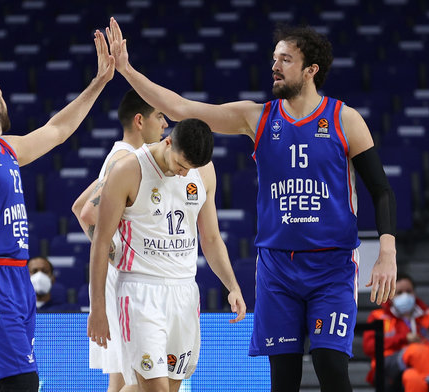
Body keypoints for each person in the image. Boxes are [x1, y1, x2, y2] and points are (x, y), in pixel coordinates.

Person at [104, 18, 398, 392]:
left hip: (332, 266)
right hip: (277, 269)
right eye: (274, 58)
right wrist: (127, 69)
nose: (274, 66)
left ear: (311, 70)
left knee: (330, 365)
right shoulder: (257, 117)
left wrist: (386, 250)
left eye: (285, 60)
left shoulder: (345, 120)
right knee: (283, 378)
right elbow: (179, 106)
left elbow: (382, 190)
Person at [0, 30, 114, 391]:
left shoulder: (6, 149)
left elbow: (57, 130)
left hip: (17, 278)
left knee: (7, 383)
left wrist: (99, 82)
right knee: (23, 384)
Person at [87, 118, 246, 392]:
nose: (185, 174)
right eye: (181, 166)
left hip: (184, 291)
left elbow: (210, 238)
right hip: (140, 291)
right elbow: (100, 241)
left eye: (191, 169)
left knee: (170, 389)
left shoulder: (204, 171)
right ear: (168, 142)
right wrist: (98, 307)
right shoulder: (128, 170)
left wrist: (232, 286)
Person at [71, 88, 168, 392]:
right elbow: (88, 213)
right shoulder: (127, 159)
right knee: (143, 380)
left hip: (121, 278)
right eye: (159, 116)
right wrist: (119, 256)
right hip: (126, 282)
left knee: (123, 379)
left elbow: (78, 207)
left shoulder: (121, 156)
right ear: (140, 120)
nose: (165, 124)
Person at [363, 272, 429, 392]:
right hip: (387, 367)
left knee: (412, 378)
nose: (405, 296)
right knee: (416, 350)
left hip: (422, 367)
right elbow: (368, 347)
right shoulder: (378, 316)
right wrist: (404, 338)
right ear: (389, 294)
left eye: (409, 291)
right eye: (399, 293)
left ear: (414, 293)